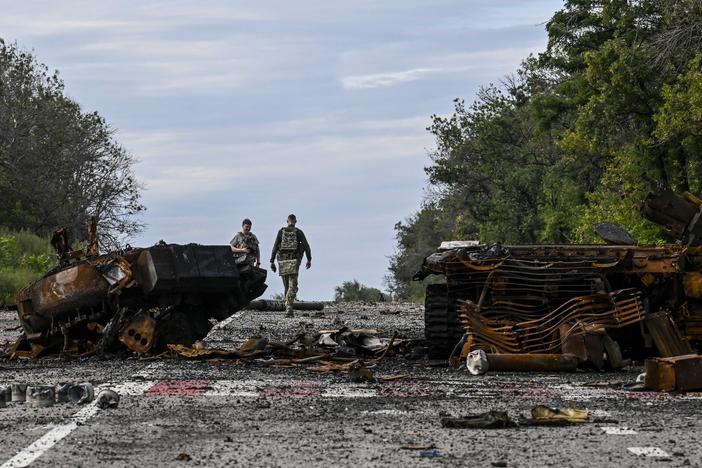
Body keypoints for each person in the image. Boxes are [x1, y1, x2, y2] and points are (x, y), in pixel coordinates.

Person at [270, 214, 312, 317]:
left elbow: (275, 246)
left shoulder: (281, 232)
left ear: (287, 221)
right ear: (295, 221)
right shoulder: (298, 232)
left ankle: (287, 307)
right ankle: (289, 308)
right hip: (294, 261)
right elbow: (306, 246)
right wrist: (309, 259)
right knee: (293, 286)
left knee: (286, 286)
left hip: (282, 261)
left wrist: (272, 261)